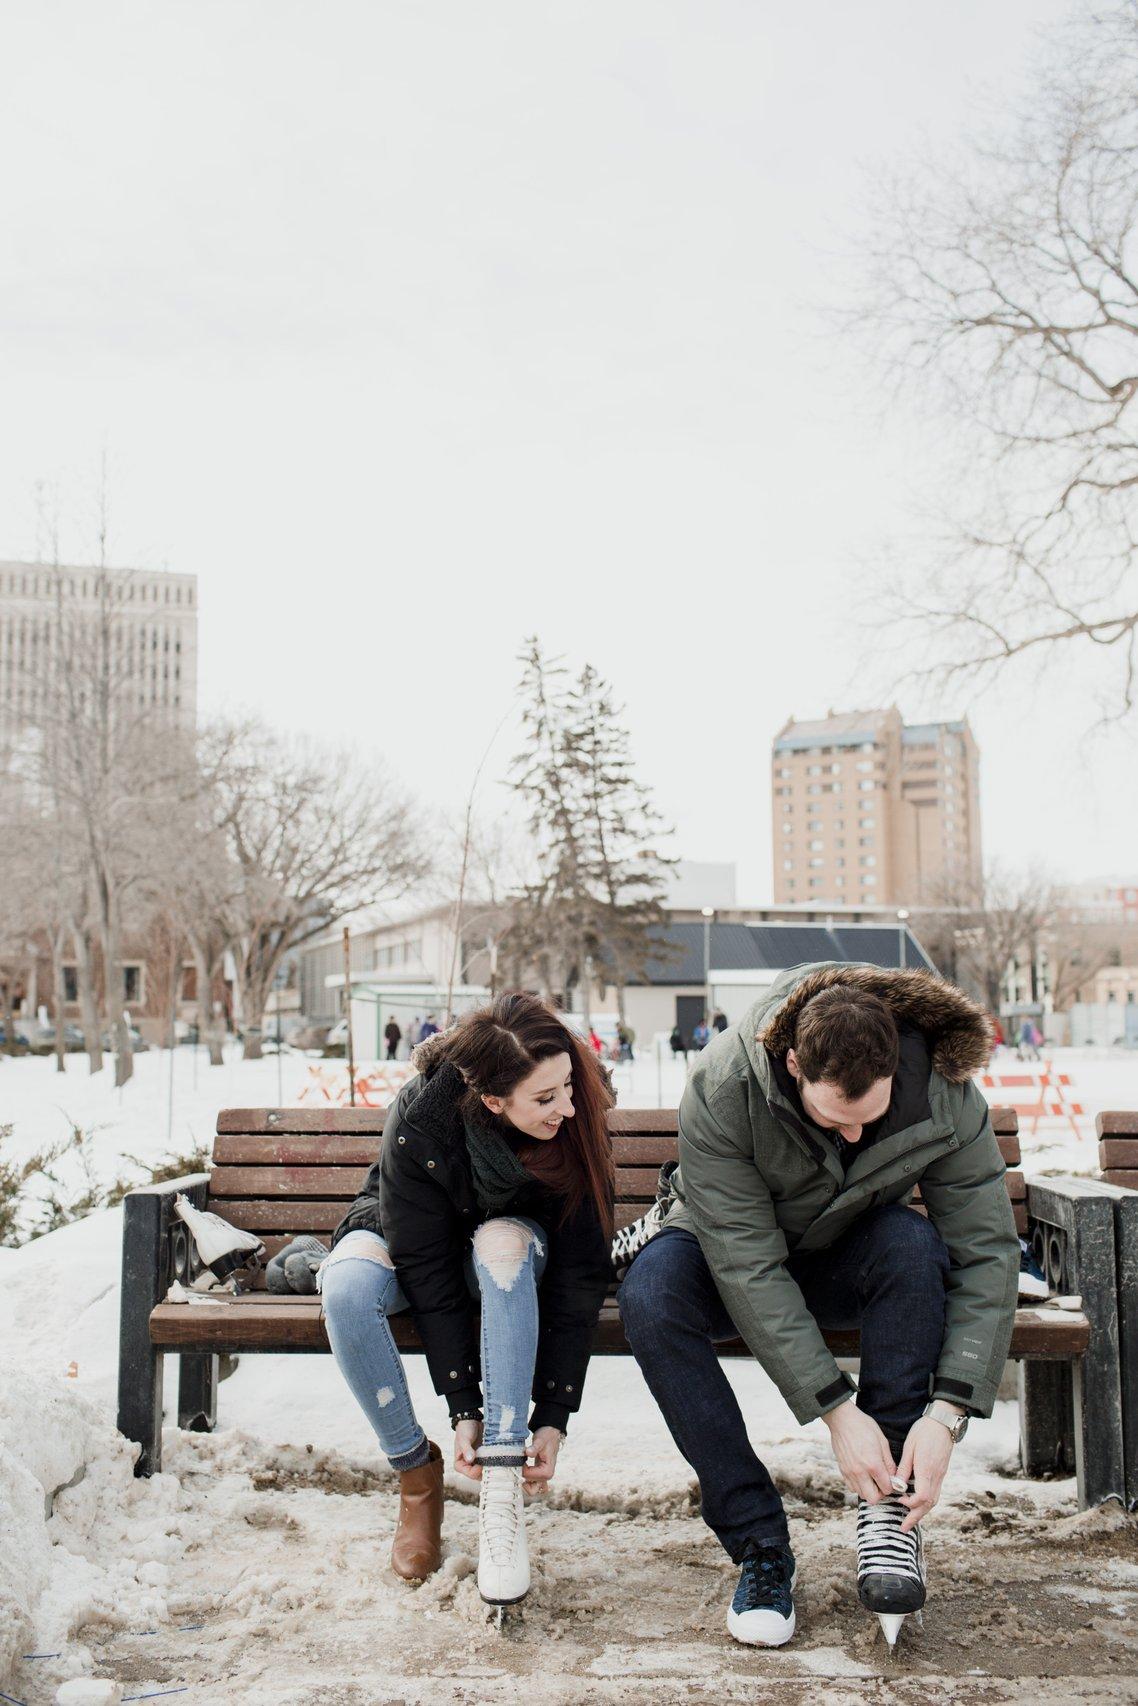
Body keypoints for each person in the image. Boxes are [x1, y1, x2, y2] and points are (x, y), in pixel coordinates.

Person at [619, 963, 1017, 1650]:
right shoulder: (724, 1083)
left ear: (896, 1059)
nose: (855, 1137)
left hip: (844, 1246)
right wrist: (836, 1408)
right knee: (652, 1297)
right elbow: (748, 1264)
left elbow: (985, 1252)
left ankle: (891, 1511)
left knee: (912, 1244)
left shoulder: (945, 1091)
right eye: (836, 1118)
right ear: (793, 1063)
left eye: (872, 1117)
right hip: (721, 1247)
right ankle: (759, 1545)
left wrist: (946, 1415)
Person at [317, 992, 614, 1606]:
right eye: (545, 1098)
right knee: (345, 1289)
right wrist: (460, 1405)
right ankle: (414, 1477)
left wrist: (553, 1415)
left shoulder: (574, 1110)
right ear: (492, 1101)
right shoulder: (422, 1118)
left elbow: (583, 1268)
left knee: (500, 1248)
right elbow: (424, 1263)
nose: (567, 1105)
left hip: (505, 1241)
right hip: (410, 1229)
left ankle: (501, 1485)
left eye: (565, 1086)